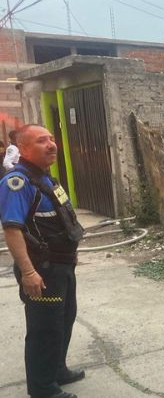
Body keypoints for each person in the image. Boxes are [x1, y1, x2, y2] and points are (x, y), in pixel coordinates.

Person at [0, 125, 85, 398]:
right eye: (41, 141)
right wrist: (28, 272)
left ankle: (56, 370)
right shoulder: (18, 182)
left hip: (62, 266)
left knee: (64, 319)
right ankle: (42, 389)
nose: (51, 144)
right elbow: (12, 230)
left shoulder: (46, 179)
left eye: (51, 139)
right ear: (23, 149)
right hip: (41, 270)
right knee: (44, 329)